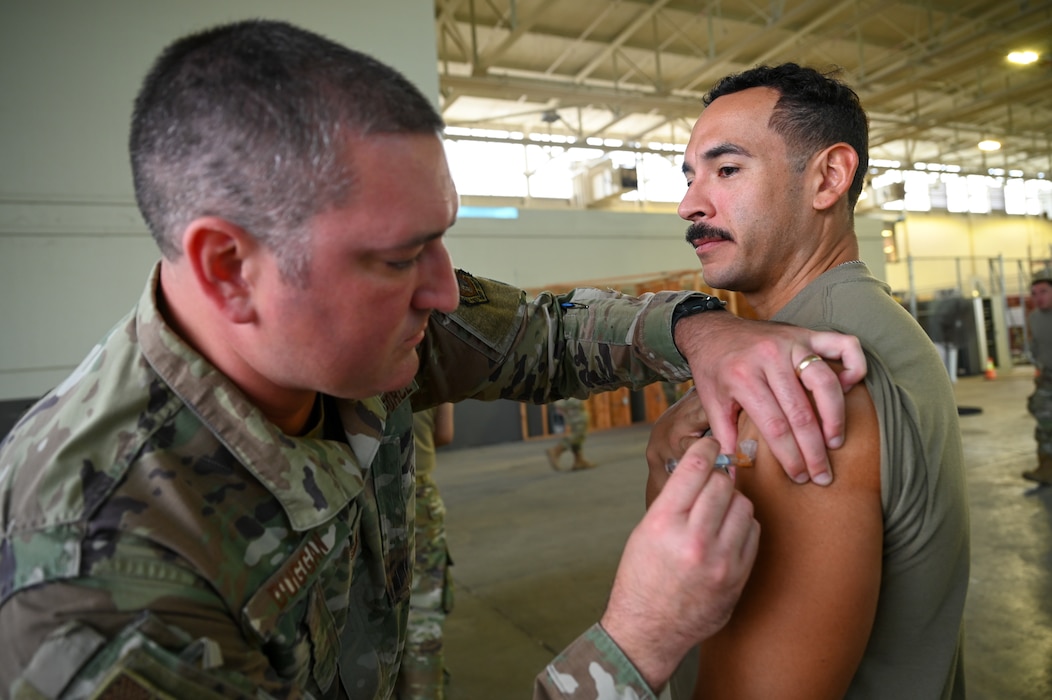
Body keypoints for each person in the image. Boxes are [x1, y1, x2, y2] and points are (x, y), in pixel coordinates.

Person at [0, 22, 867, 699]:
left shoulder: (353, 331)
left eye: (442, 240)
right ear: (231, 268)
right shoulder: (99, 585)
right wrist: (637, 642)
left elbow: (537, 334)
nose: (446, 292)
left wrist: (698, 330)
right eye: (398, 257)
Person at [647, 63, 969, 699]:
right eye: (690, 176)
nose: (690, 204)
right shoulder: (869, 322)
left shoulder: (800, 384)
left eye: (727, 169)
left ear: (828, 177)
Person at [398, 403, 456, 699]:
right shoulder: (430, 367)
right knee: (423, 618)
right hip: (419, 496)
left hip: (359, 497)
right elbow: (444, 434)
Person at [1024, 269, 1052, 485]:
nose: (1038, 297)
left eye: (1043, 291)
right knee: (1044, 421)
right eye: (1034, 293)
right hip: (1048, 376)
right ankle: (1046, 468)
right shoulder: (1034, 318)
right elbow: (1036, 347)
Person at [546, 397, 596, 471]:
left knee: (577, 432)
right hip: (572, 403)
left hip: (568, 402)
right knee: (579, 432)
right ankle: (556, 450)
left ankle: (578, 460)